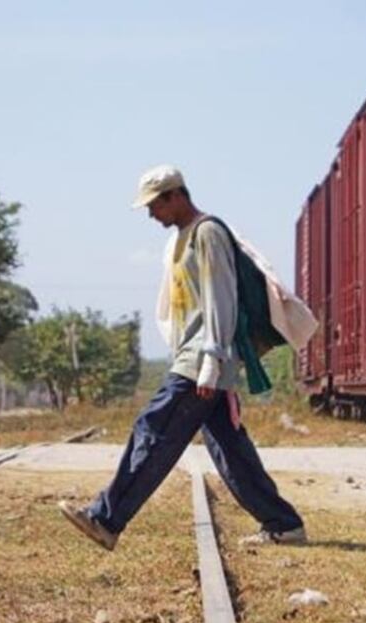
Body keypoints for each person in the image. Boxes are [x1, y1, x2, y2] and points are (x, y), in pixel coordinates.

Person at [58, 164, 306, 551]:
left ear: (176, 196)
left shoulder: (207, 233)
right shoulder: (180, 240)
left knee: (153, 430)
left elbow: (220, 297)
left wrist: (211, 362)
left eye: (154, 206)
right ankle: (283, 523)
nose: (151, 215)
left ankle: (106, 519)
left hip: (202, 361)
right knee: (231, 451)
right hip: (201, 358)